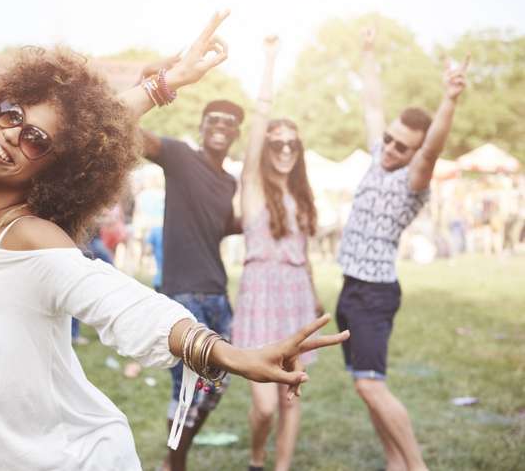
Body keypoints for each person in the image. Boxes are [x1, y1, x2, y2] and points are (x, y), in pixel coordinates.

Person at [0, 11, 347, 470]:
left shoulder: (31, 238)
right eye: (12, 115)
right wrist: (166, 82)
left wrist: (225, 353)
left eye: (35, 139)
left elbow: (124, 304)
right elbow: (85, 128)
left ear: (55, 169)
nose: (12, 135)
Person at [335, 27, 468, 471]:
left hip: (374, 293)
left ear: (414, 155)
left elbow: (432, 149)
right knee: (363, 384)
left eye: (401, 146)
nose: (391, 148)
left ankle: (416, 466)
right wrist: (368, 53)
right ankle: (395, 463)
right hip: (351, 289)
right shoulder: (378, 154)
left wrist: (449, 99)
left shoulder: (412, 180)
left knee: (372, 386)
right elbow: (373, 105)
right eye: (390, 139)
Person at [139, 43, 246, 471]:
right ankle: (175, 465)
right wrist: (146, 83)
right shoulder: (181, 157)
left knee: (214, 389)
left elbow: (221, 227)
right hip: (183, 295)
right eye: (214, 120)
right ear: (202, 127)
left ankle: (172, 460)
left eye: (230, 122)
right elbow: (130, 134)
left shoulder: (230, 183)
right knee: (186, 389)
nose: (221, 126)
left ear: (236, 133)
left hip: (218, 294)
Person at [233, 37, 324, 471]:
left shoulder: (304, 195)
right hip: (259, 303)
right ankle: (256, 457)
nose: (284, 149)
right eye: (276, 143)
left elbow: (304, 256)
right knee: (266, 406)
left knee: (291, 400)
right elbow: (259, 120)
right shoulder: (251, 187)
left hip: (296, 303)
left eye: (292, 144)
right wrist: (269, 61)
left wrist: (316, 296)